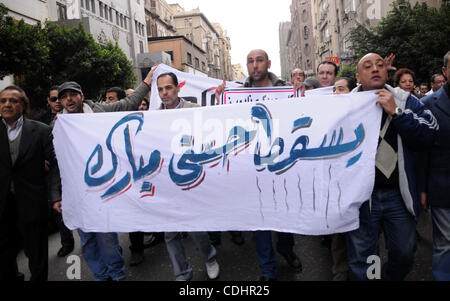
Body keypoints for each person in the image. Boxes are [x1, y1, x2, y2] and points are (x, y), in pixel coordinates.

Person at [52, 67, 156, 281]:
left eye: (73, 95)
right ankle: (100, 275)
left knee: (106, 236)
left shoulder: (99, 112)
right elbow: (55, 164)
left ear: (82, 97)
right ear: (60, 102)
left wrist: (146, 83)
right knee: (87, 239)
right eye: (64, 97)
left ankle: (116, 274)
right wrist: (56, 195)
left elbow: (128, 104)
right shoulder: (57, 126)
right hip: (76, 192)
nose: (69, 99)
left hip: (102, 186)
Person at [346, 53, 438, 280]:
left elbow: (430, 132)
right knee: (365, 257)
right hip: (361, 198)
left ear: (387, 72)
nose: (375, 69)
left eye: (379, 65)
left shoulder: (404, 100)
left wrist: (397, 112)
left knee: (404, 253)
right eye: (368, 66)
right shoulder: (344, 106)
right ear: (358, 76)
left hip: (398, 195)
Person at [216, 49, 302, 281]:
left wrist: (300, 96)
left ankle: (286, 249)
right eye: (250, 61)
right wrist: (220, 103)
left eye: (259, 61)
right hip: (252, 168)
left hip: (281, 165)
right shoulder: (236, 93)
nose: (255, 65)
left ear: (268, 63)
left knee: (283, 218)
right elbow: (226, 124)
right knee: (259, 223)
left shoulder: (285, 89)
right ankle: (267, 270)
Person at [157, 72, 220, 281]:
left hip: (192, 180)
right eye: (160, 89)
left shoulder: (194, 111)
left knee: (196, 228)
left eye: (168, 88)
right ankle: (182, 272)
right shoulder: (152, 118)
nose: (164, 93)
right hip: (166, 182)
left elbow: (213, 131)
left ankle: (209, 258)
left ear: (178, 88)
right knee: (170, 232)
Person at [0, 85, 61, 281]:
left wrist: (55, 197)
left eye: (13, 101)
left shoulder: (41, 131)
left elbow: (53, 166)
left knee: (37, 255)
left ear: (23, 105)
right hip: (3, 206)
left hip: (33, 202)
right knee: (5, 253)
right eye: (3, 101)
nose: (7, 104)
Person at [419, 50, 450, 280]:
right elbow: (422, 151)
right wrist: (422, 188)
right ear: (445, 71)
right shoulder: (428, 103)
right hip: (442, 185)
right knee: (445, 242)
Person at [34, 86, 74, 258]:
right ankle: (67, 241)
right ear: (47, 101)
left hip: (73, 167)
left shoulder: (74, 116)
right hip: (53, 171)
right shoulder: (39, 121)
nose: (57, 101)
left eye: (60, 98)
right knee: (58, 205)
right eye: (53, 99)